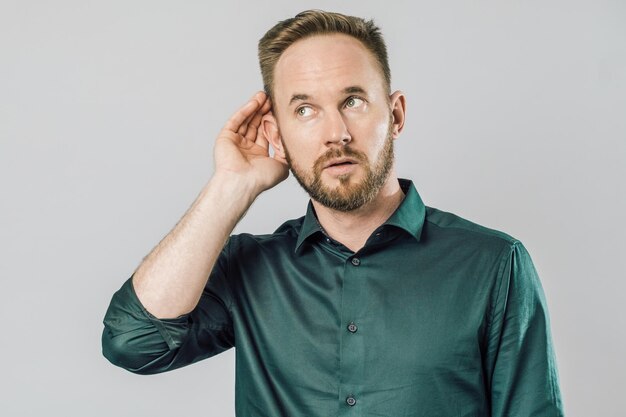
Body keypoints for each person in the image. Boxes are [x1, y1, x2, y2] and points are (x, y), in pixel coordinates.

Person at [102, 9, 564, 416]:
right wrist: (230, 187)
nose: (336, 132)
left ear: (396, 113)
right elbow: (134, 343)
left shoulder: (493, 263)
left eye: (353, 101)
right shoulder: (250, 269)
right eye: (305, 109)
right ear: (276, 135)